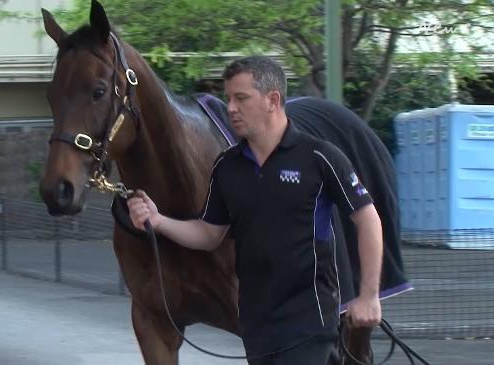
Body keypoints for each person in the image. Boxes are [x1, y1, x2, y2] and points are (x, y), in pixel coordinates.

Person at [127, 56, 382, 365]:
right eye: (228, 98)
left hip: (309, 320)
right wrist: (159, 221)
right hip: (256, 325)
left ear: (272, 100)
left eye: (241, 98)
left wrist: (368, 296)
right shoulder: (227, 166)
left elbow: (367, 219)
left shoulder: (319, 157)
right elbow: (209, 234)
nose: (230, 107)